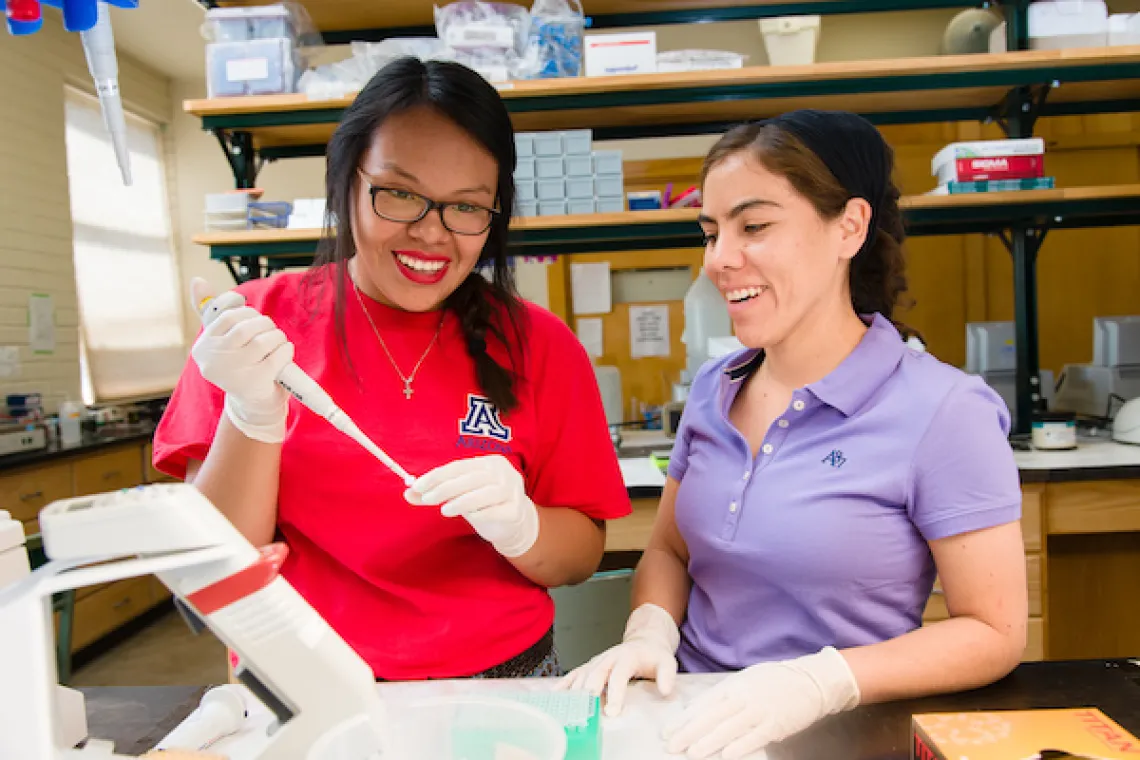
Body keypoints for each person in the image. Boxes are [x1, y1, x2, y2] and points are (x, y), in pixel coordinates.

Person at [561, 110, 1028, 759]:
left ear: (850, 227)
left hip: (843, 735)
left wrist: (821, 681)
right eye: (711, 231)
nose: (719, 260)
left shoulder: (944, 410)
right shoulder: (713, 388)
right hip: (690, 725)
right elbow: (669, 551)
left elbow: (994, 631)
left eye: (753, 226)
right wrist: (650, 633)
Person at [153, 57, 630, 681]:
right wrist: (251, 414)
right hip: (303, 677)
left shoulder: (541, 344)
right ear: (348, 182)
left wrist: (524, 526)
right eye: (400, 194)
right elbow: (214, 569)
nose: (431, 233)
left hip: (502, 680)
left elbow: (577, 560)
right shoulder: (256, 327)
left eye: (466, 208)